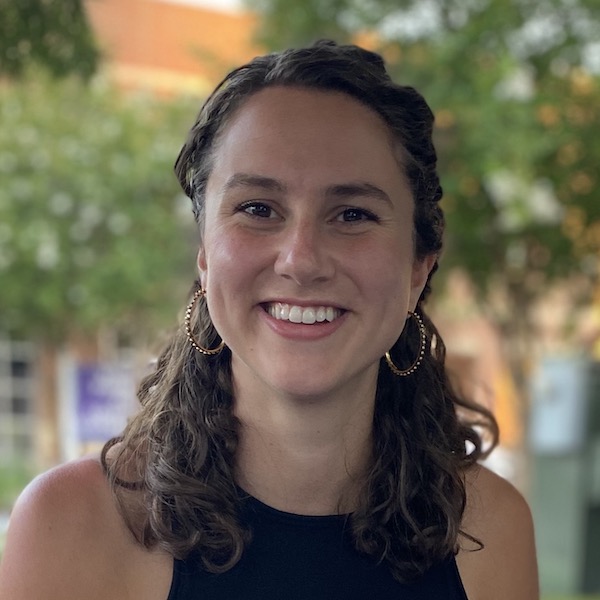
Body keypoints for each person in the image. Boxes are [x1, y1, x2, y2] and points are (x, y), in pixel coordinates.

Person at [0, 40, 538, 599]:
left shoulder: (490, 531)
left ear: (418, 270)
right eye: (257, 209)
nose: (300, 260)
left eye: (353, 214)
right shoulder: (73, 527)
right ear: (205, 256)